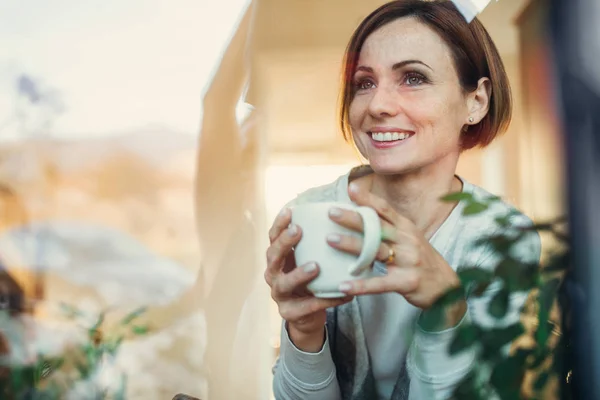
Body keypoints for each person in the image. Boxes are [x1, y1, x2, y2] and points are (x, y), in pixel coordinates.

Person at [264, 1, 541, 399]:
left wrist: (448, 312)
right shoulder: (312, 215)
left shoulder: (502, 237)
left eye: (413, 78)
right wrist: (304, 332)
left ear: (476, 101)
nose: (377, 105)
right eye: (364, 83)